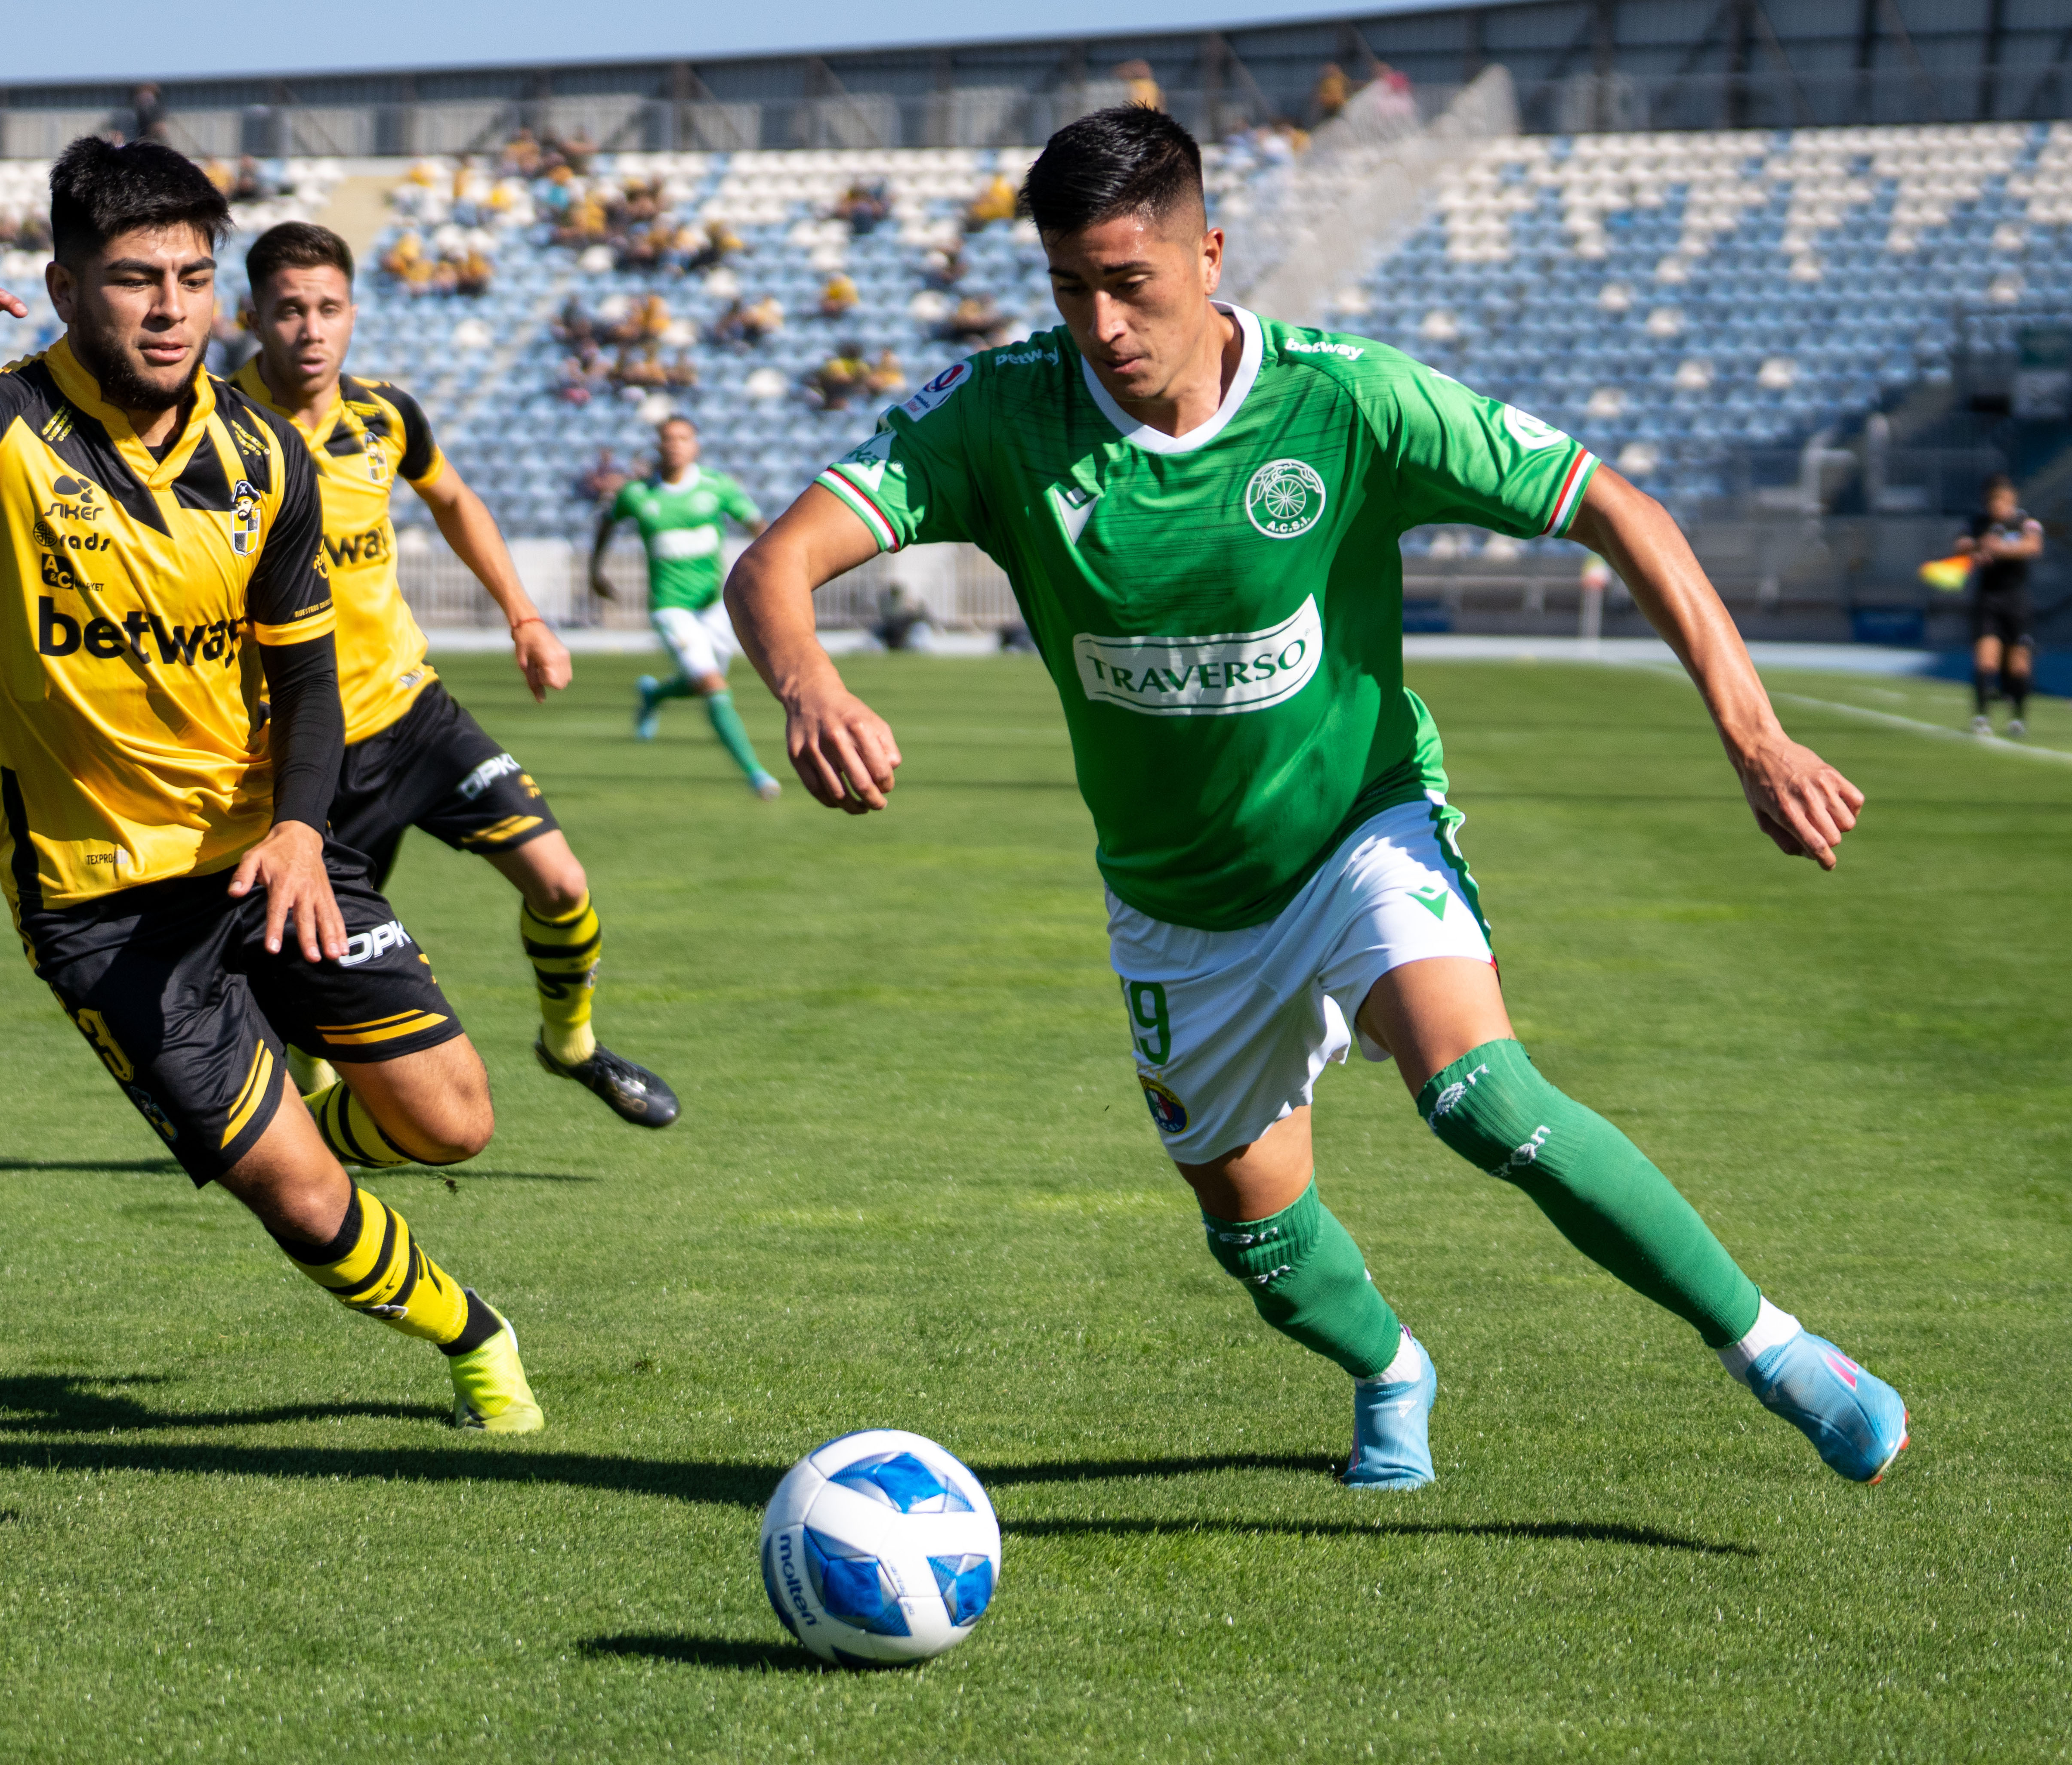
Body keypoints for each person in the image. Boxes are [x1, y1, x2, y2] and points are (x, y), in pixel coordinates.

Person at [725, 106, 1906, 1491]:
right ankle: (1388, 1366)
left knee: (1477, 1093)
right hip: (1175, 904)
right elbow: (772, 568)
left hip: (1360, 824)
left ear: (1207, 252)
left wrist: (1752, 733)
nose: (1101, 324)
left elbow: (1611, 505)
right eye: (1068, 288)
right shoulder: (996, 415)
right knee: (1257, 1238)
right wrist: (807, 683)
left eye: (1130, 283)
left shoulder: (1346, 398)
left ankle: (1772, 1348)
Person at [0, 138, 543, 1434]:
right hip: (102, 903)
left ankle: (295, 1105)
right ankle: (474, 1335)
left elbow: (309, 682)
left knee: (454, 1121)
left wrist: (303, 832)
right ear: (66, 287)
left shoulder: (267, 458)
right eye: (136, 279)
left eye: (192, 277)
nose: (172, 307)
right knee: (303, 1202)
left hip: (266, 855)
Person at [235, 221, 679, 1132]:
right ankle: (322, 1136)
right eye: (288, 311)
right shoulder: (215, 426)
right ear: (253, 316)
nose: (310, 331)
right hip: (304, 751)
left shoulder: (385, 415)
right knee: (314, 996)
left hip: (412, 714)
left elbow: (452, 496)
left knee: (559, 880)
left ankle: (572, 1044)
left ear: (353, 313)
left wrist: (524, 615)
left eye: (327, 309)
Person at [593, 417, 778, 799]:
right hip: (670, 607)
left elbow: (759, 525)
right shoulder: (638, 495)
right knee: (713, 685)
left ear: (695, 446)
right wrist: (595, 570)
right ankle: (757, 774)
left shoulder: (718, 487)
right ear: (658, 446)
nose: (675, 444)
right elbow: (606, 522)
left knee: (703, 682)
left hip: (713, 606)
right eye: (668, 438)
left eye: (683, 438)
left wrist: (771, 572)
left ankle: (654, 695)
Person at [1956, 474, 2040, 735]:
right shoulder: (1978, 523)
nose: (1998, 506)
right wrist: (1977, 547)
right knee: (1987, 660)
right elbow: (1962, 546)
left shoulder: (2025, 523)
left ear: (2012, 499)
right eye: (1993, 501)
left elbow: (2032, 547)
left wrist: (1997, 549)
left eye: (2002, 500)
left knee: (2019, 663)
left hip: (2017, 601)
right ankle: (1981, 717)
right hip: (1988, 600)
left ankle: (2018, 718)